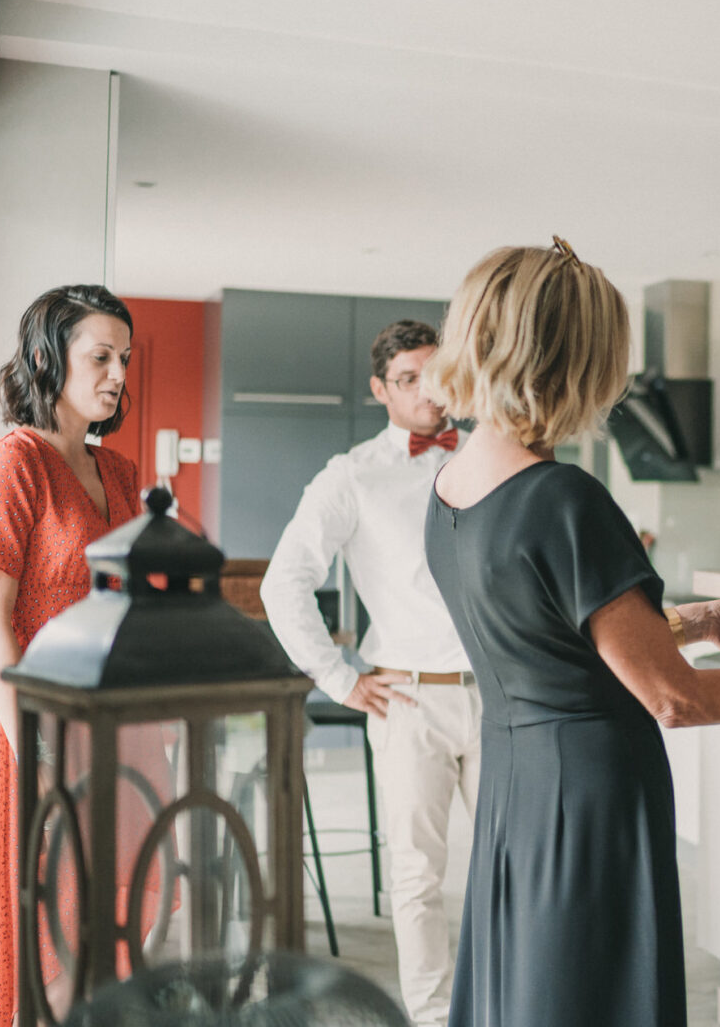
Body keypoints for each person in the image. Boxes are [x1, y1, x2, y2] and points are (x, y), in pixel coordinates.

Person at [422, 239, 720, 1027]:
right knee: (597, 992)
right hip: (591, 793)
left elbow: (548, 641)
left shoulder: (450, 491)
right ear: (572, 358)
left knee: (537, 989)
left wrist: (700, 619)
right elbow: (673, 701)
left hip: (517, 784)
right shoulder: (563, 499)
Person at [260, 320, 476, 1027]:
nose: (428, 392)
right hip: (408, 699)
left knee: (518, 865)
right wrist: (339, 677)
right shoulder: (351, 475)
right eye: (408, 378)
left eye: (435, 373)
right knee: (417, 876)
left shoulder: (489, 457)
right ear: (380, 389)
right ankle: (435, 1016)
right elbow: (282, 583)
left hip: (502, 693)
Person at [0, 285, 141, 1027]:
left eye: (124, 358)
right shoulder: (9, 465)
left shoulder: (122, 472)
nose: (118, 374)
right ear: (45, 356)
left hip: (120, 729)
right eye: (100, 357)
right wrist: (35, 746)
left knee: (107, 927)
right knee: (40, 930)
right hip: (34, 731)